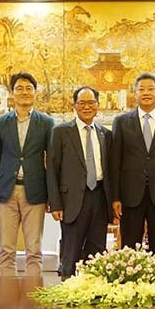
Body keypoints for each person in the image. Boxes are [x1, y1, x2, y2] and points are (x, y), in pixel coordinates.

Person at [109, 72, 155, 261]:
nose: (146, 93)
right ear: (134, 93)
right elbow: (115, 162)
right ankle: (129, 287)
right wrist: (115, 196)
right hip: (130, 194)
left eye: (151, 89)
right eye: (141, 89)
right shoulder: (121, 121)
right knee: (129, 247)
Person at [0, 73, 54, 276]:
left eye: (28, 88)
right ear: (12, 93)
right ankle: (7, 301)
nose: (24, 92)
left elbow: (51, 162)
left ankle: (33, 302)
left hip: (34, 191)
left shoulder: (46, 122)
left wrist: (51, 196)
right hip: (5, 192)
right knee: (6, 251)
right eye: (19, 88)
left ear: (35, 92)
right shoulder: (0, 123)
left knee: (34, 251)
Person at [47, 86, 112, 279]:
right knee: (71, 252)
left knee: (97, 251)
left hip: (99, 197)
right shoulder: (60, 132)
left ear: (98, 105)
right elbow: (52, 169)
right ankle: (67, 293)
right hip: (72, 201)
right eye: (82, 103)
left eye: (91, 102)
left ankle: (94, 293)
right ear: (74, 106)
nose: (86, 107)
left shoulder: (105, 134)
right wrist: (55, 203)